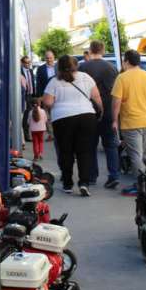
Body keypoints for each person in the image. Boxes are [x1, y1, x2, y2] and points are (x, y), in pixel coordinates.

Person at [42, 55, 102, 197]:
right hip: (87, 116)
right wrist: (100, 114)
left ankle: (68, 184)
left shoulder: (55, 81)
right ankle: (84, 183)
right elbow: (96, 97)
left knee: (65, 151)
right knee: (85, 151)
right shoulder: (86, 77)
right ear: (76, 65)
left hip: (63, 119)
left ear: (59, 66)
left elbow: (48, 102)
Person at [111, 50, 146, 192]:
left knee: (136, 155)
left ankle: (141, 185)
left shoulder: (122, 78)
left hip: (130, 122)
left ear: (126, 61)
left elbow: (116, 102)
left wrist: (114, 120)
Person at [79, 40, 121, 189]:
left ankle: (91, 176)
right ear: (103, 50)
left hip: (88, 111)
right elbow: (117, 93)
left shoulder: (82, 67)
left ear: (90, 50)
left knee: (90, 145)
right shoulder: (112, 68)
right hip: (109, 111)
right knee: (111, 145)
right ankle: (114, 175)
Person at [20, 56, 36, 142]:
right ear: (22, 63)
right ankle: (25, 136)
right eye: (26, 62)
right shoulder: (19, 71)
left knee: (30, 116)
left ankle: (27, 134)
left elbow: (32, 82)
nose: (28, 64)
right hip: (24, 95)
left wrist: (34, 95)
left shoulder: (30, 71)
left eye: (29, 62)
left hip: (31, 95)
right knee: (25, 116)